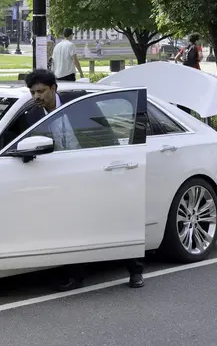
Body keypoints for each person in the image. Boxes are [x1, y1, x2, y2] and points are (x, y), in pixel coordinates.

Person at [22, 69, 145, 289]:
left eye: (40, 91)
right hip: (61, 176)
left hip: (92, 170)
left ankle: (135, 270)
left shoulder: (78, 105)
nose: (36, 97)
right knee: (70, 226)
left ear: (53, 88)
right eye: (32, 93)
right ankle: (75, 276)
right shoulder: (31, 115)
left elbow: (105, 135)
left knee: (112, 221)